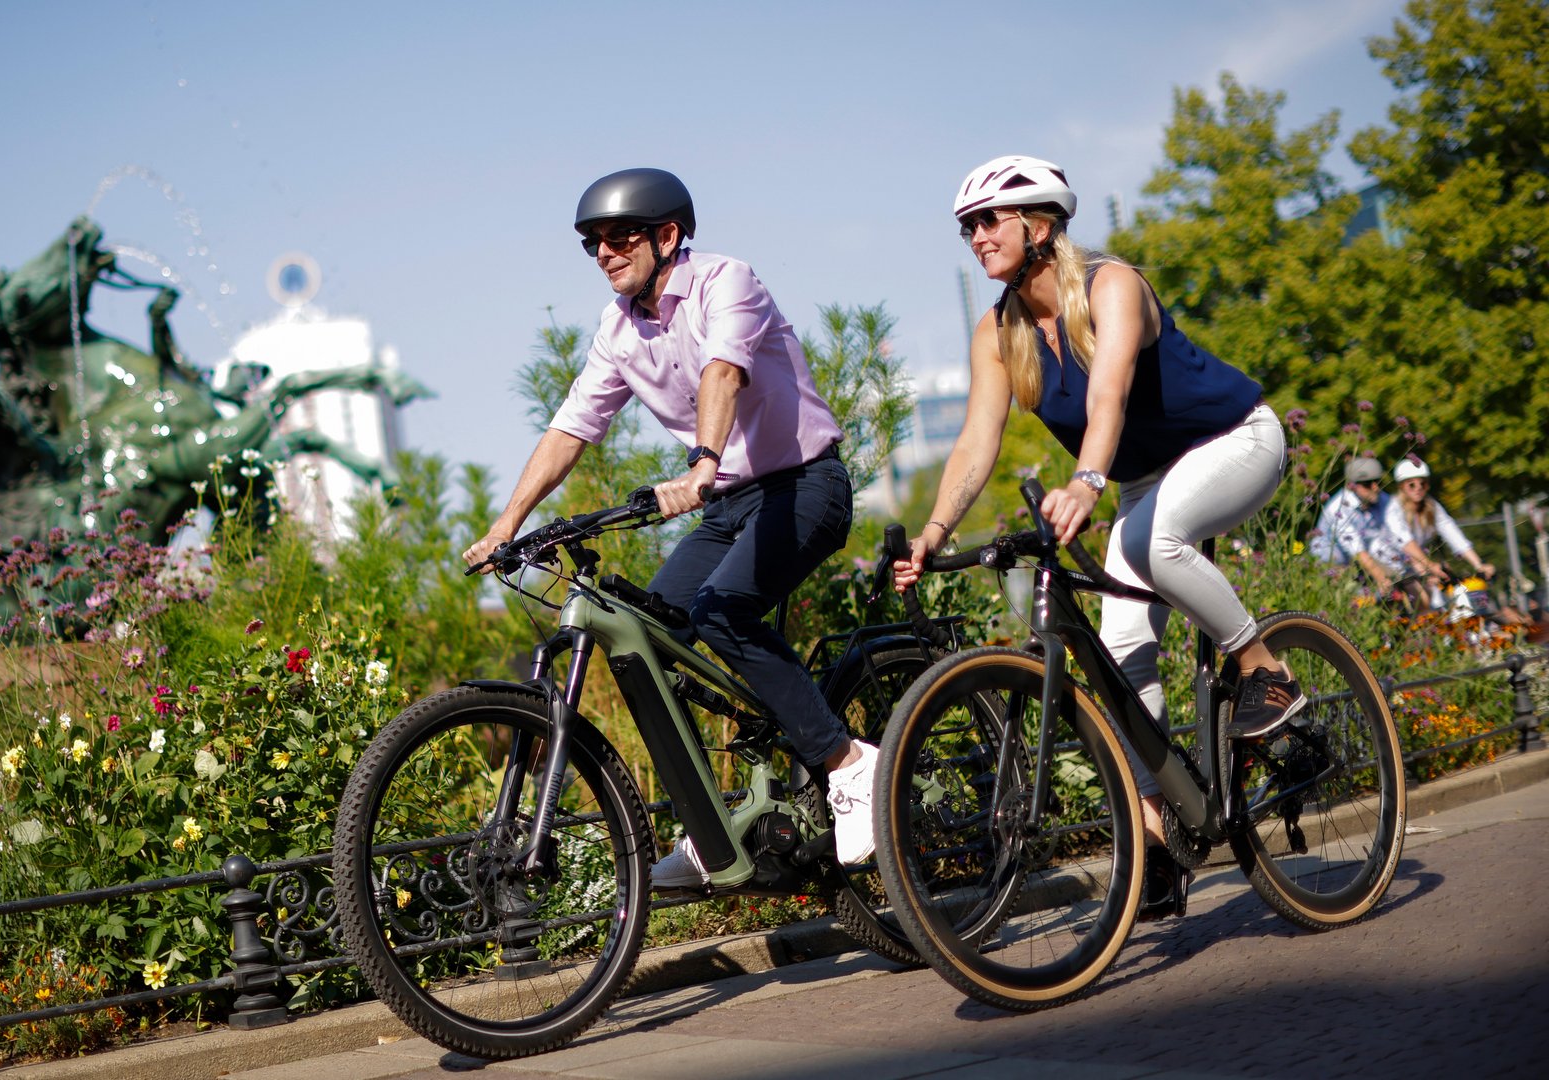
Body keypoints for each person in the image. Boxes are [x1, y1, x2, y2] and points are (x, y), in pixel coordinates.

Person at [891, 154, 1300, 919]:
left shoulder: (1113, 286)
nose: (975, 236)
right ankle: (1159, 832)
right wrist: (934, 531)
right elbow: (977, 441)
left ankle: (1266, 671)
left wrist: (1085, 482)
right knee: (1117, 650)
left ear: (1039, 225)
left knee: (1156, 540)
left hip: (1237, 441)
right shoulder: (999, 331)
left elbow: (1107, 393)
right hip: (1148, 482)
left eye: (988, 221)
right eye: (966, 227)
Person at [462, 168, 866, 889]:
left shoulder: (725, 282)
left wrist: (704, 459)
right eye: (593, 245)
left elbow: (723, 371)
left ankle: (847, 764)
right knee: (647, 635)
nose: (605, 254)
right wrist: (505, 526)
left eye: (620, 238)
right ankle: (713, 829)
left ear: (667, 235)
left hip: (804, 485)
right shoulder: (618, 332)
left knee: (720, 610)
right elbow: (570, 427)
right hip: (726, 504)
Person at [1382, 457, 1506, 609]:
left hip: (1415, 563)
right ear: (1401, 486)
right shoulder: (1393, 509)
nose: (1418, 488)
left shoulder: (1431, 506)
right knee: (1424, 601)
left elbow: (1452, 532)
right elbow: (1405, 543)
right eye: (1411, 484)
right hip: (1389, 565)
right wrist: (1429, 565)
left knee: (1446, 598)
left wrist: (1478, 564)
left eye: (1423, 483)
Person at [1310, 456, 1401, 593]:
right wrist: (1381, 579)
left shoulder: (1381, 499)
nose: (1375, 488)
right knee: (1359, 599)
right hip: (1330, 565)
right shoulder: (1338, 509)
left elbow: (1395, 534)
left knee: (1400, 578)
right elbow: (1357, 551)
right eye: (1367, 484)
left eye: (1378, 482)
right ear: (1350, 486)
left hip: (1358, 562)